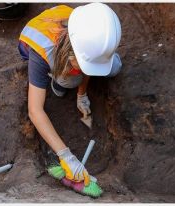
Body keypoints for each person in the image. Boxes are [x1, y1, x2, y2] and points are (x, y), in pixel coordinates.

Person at [18, 3, 122, 186]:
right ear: (70, 53)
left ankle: (73, 76)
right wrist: (66, 156)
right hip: (43, 44)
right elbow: (34, 110)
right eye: (82, 64)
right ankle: (56, 78)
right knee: (70, 80)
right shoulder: (41, 53)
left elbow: (87, 63)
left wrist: (81, 94)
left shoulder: (91, 31)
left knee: (114, 67)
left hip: (71, 47)